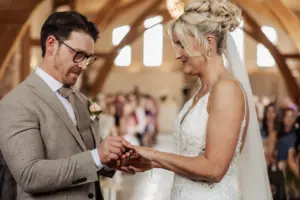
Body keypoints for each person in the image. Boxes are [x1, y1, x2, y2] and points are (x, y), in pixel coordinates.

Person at [121, 0, 272, 199]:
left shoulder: (227, 89)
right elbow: (191, 156)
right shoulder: (201, 91)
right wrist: (152, 163)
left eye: (181, 45)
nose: (177, 55)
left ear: (208, 43)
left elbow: (214, 168)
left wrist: (153, 154)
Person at [0, 11, 132, 200]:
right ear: (51, 44)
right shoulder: (16, 103)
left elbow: (92, 154)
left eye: (88, 58)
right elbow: (30, 175)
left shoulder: (83, 101)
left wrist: (112, 158)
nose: (83, 65)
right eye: (78, 55)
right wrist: (97, 157)